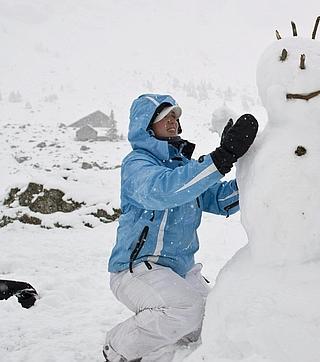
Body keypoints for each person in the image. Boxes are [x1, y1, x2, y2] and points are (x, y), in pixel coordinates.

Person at [103, 93, 258, 362]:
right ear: (147, 125)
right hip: (135, 269)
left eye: (175, 116)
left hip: (180, 271)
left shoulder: (185, 167)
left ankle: (167, 336)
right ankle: (118, 346)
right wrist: (220, 158)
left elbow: (220, 200)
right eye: (165, 117)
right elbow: (164, 190)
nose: (173, 122)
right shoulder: (137, 164)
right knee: (186, 309)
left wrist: (261, 176)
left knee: (214, 319)